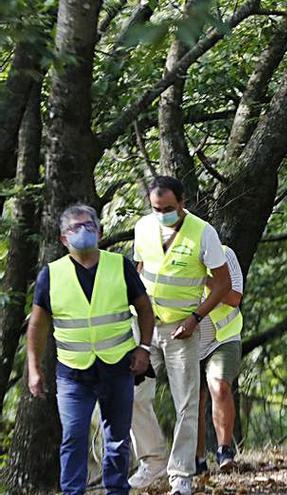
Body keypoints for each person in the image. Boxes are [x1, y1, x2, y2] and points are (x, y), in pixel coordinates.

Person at [26, 204, 154, 495]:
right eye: (74, 228)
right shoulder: (51, 274)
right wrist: (33, 370)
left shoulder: (120, 265)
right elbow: (37, 326)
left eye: (88, 226)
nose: (82, 232)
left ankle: (117, 490)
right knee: (73, 437)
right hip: (72, 373)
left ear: (100, 231)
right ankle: (73, 492)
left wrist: (144, 348)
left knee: (118, 439)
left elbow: (145, 309)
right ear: (63, 239)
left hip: (118, 366)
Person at [129, 176, 232, 495]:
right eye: (156, 208)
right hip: (143, 327)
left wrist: (195, 317)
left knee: (186, 402)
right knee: (132, 397)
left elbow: (223, 284)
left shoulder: (204, 232)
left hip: (181, 330)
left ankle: (181, 475)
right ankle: (152, 459)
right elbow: (138, 270)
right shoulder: (143, 227)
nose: (162, 214)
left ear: (183, 203)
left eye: (169, 208)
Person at [196, 245, 244, 473]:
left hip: (224, 337)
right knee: (193, 400)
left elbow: (234, 297)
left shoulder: (225, 254)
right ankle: (198, 460)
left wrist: (205, 278)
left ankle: (225, 451)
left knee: (220, 386)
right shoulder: (170, 261)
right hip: (189, 343)